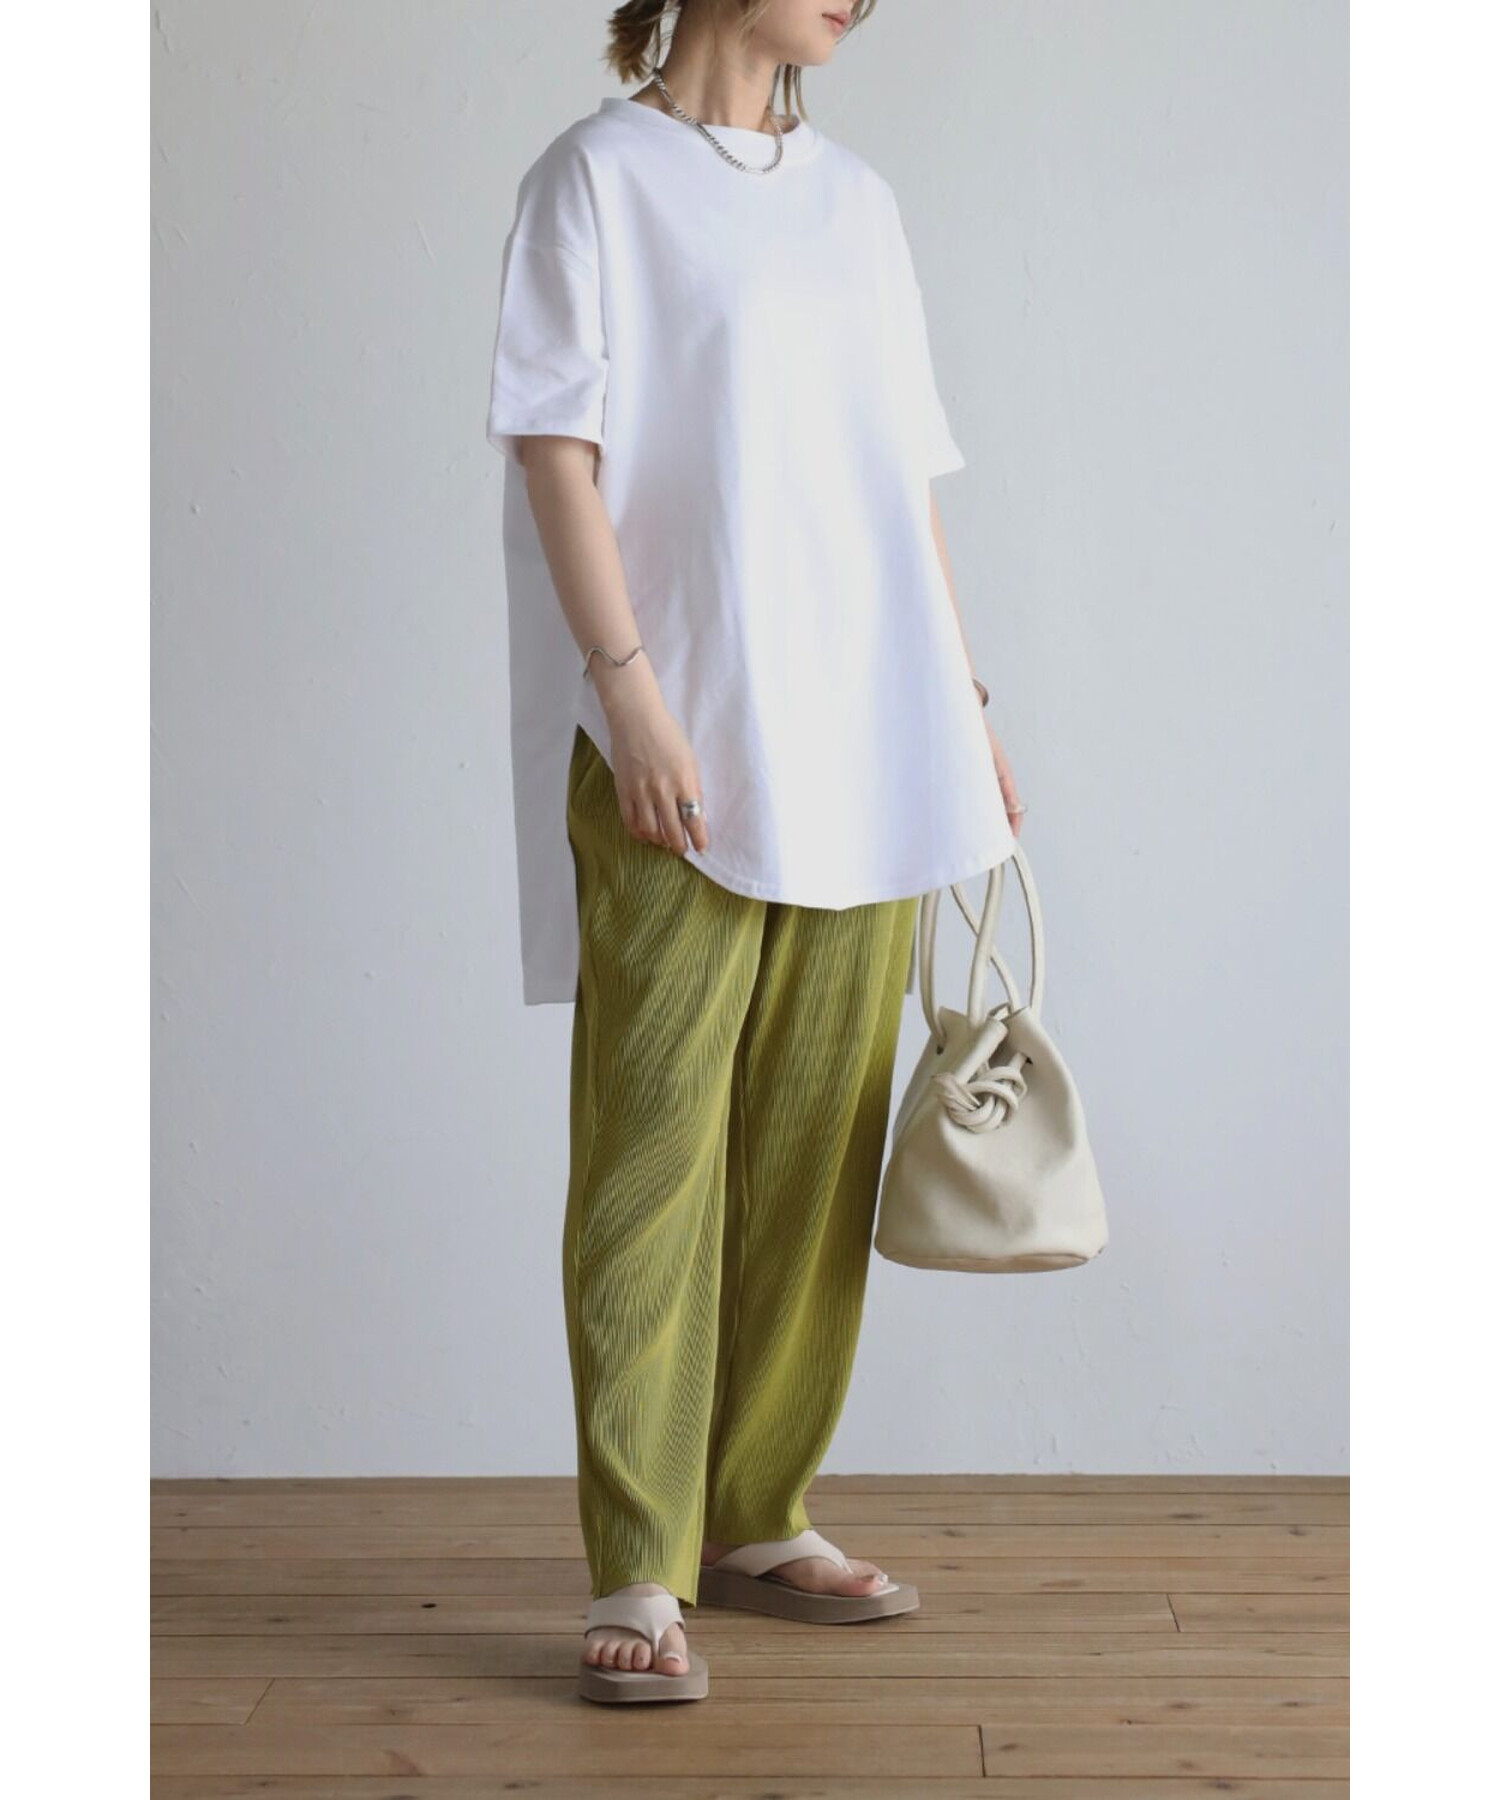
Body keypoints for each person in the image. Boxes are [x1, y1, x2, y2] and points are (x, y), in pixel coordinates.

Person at [487, 0, 1025, 1705]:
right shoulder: (593, 181)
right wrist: (629, 694)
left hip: (867, 733)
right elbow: (556, 452)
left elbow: (903, 479)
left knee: (814, 1153)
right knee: (650, 1158)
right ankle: (640, 1561)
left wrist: (964, 701)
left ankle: (754, 1511)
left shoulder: (859, 202)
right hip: (680, 743)